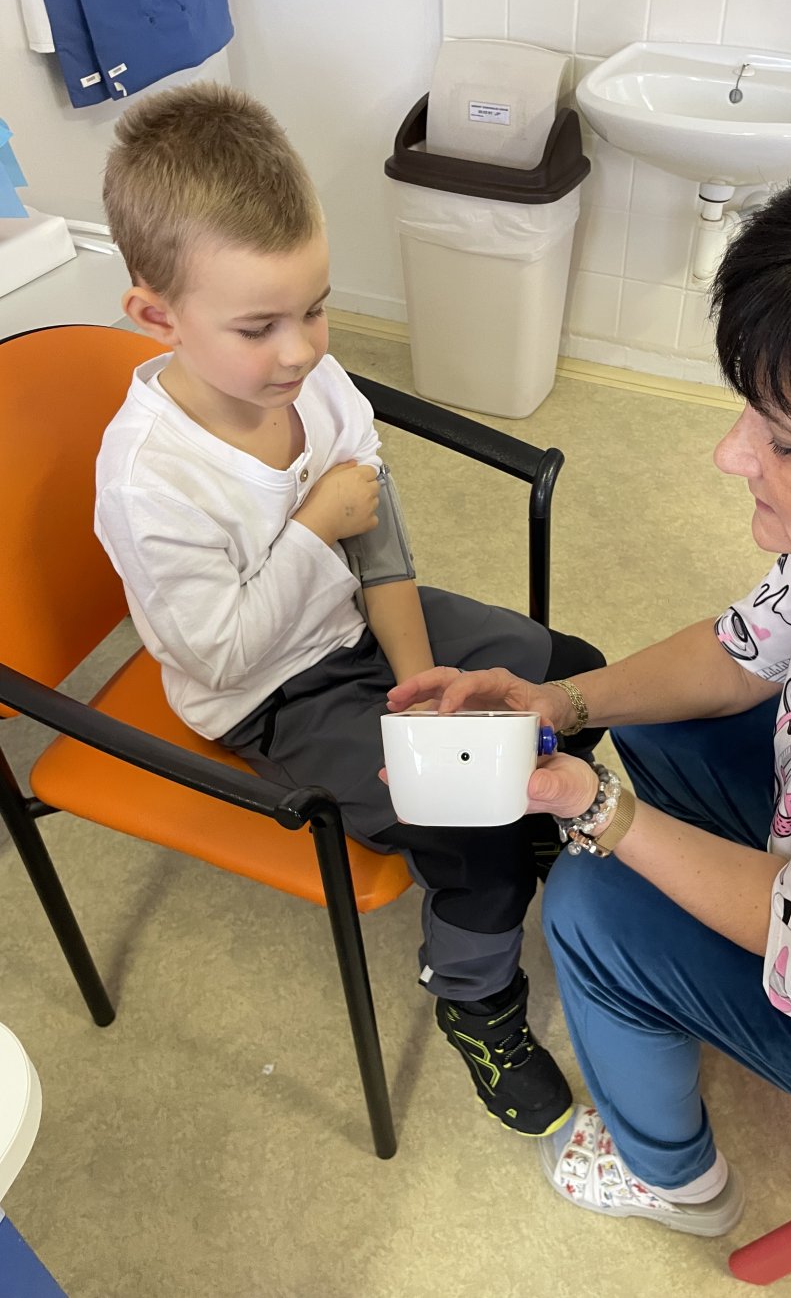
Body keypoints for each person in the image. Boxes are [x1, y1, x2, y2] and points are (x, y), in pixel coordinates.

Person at [388, 137, 791, 1232]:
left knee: (589, 903)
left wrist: (598, 808)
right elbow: (743, 649)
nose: (729, 456)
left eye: (786, 442)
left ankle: (671, 1179)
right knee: (660, 731)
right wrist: (560, 703)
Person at [94, 82, 606, 1139]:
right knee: (468, 826)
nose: (300, 350)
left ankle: (521, 827)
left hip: (356, 620)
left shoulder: (315, 387)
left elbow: (381, 547)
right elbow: (218, 652)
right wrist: (310, 529)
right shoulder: (150, 482)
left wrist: (421, 690)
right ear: (156, 316)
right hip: (265, 691)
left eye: (316, 308)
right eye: (258, 326)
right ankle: (475, 999)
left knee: (569, 671)